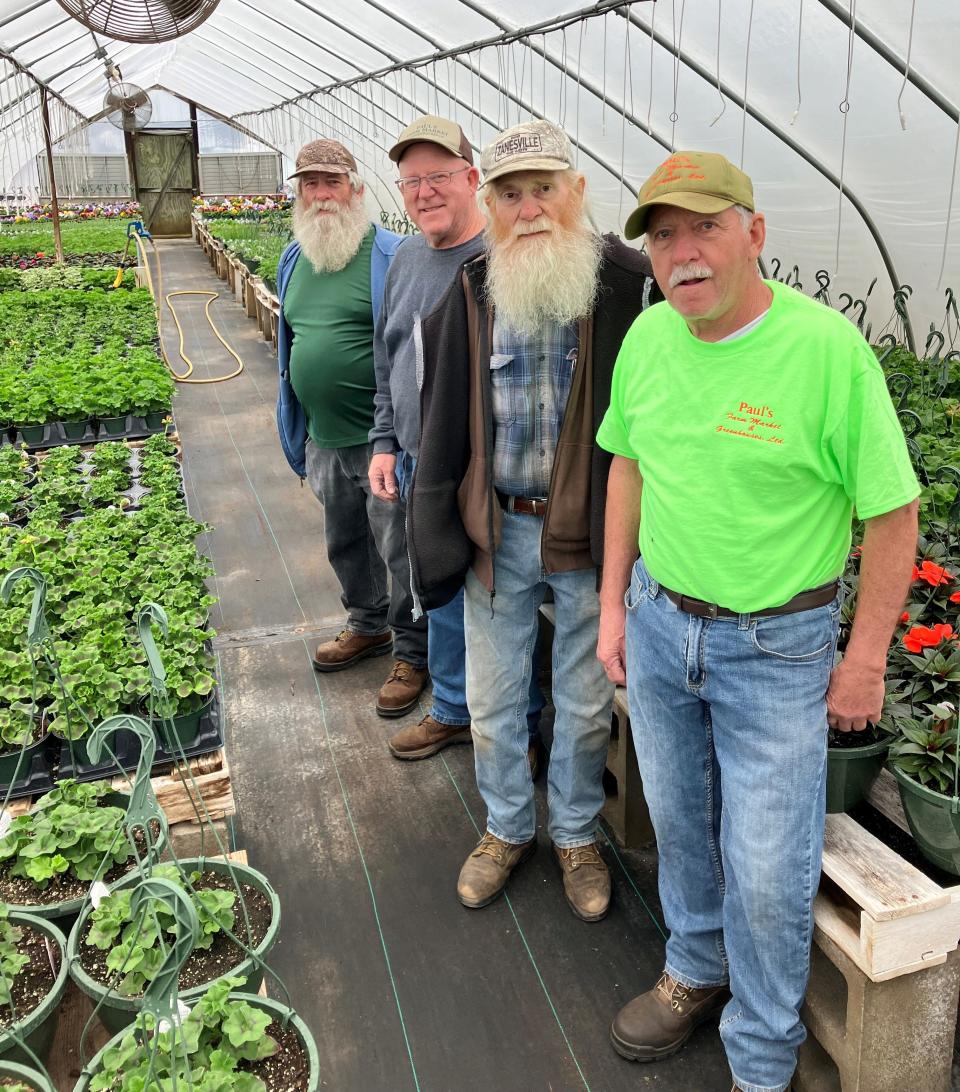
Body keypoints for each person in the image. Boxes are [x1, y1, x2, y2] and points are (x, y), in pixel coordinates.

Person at [596, 151, 920, 1092]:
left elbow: (893, 515)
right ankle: (695, 968)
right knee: (683, 821)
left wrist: (865, 662)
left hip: (777, 649)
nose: (683, 253)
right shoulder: (650, 340)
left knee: (771, 867)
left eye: (704, 227)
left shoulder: (826, 353)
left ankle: (763, 1058)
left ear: (755, 234)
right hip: (661, 623)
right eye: (664, 236)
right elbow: (628, 467)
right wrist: (616, 606)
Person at [406, 119, 662, 920]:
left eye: (543, 189)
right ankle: (509, 828)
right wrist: (435, 523)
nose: (529, 209)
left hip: (589, 535)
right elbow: (442, 411)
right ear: (494, 202)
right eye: (511, 194)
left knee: (586, 703)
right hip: (499, 530)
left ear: (576, 193)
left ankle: (579, 834)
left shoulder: (627, 283)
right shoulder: (476, 286)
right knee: (492, 698)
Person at [368, 115, 544, 760]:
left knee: (503, 605)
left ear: (472, 179)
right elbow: (387, 359)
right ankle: (450, 708)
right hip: (422, 461)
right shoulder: (408, 257)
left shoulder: (507, 258)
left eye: (439, 176)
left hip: (488, 468)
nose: (424, 192)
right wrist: (385, 440)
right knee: (438, 587)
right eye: (412, 181)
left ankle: (517, 728)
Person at [275, 138, 428, 717]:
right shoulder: (295, 257)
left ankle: (414, 651)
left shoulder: (391, 254)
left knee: (399, 549)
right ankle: (366, 625)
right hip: (324, 437)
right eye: (309, 184)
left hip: (381, 442)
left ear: (356, 189)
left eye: (331, 183)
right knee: (344, 542)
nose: (320, 195)